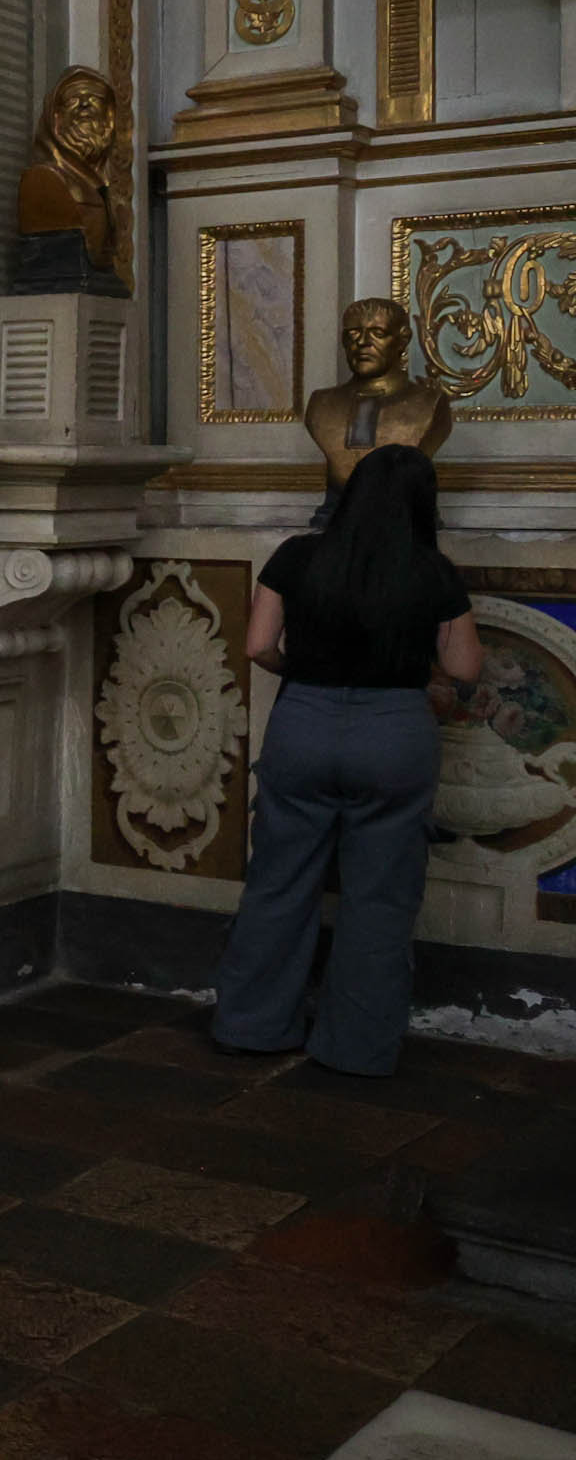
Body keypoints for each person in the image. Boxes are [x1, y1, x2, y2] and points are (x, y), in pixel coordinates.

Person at [213, 444, 482, 1077]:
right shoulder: (431, 570)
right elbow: (465, 668)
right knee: (379, 900)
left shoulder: (297, 556)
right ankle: (355, 1049)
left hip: (302, 726)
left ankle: (249, 1026)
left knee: (278, 883)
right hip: (393, 735)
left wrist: (305, 672)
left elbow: (257, 647)